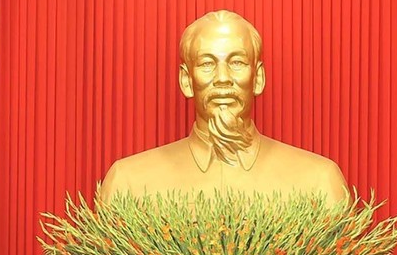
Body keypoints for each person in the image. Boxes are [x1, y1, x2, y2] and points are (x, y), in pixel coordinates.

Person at [97, 10, 349, 205]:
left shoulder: (319, 182)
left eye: (237, 62)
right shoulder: (128, 183)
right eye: (207, 63)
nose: (222, 78)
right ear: (186, 81)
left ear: (258, 78)